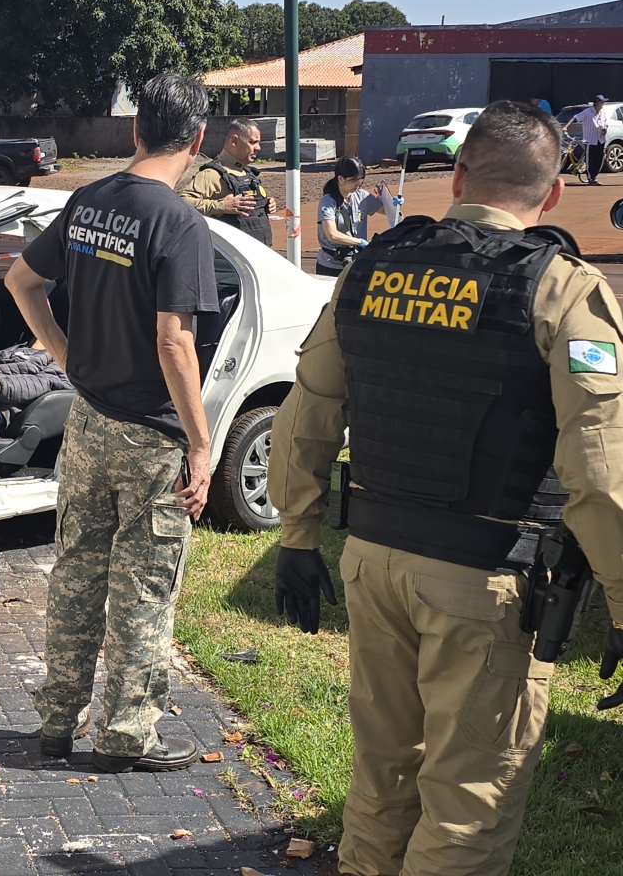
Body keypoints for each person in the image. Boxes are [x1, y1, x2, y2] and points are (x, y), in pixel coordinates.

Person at [268, 99, 623, 876]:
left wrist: (297, 537)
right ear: (554, 194)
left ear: (458, 175)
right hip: (485, 580)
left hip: (372, 561)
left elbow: (309, 413)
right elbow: (600, 472)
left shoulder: (373, 265)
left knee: (383, 775)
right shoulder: (564, 290)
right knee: (469, 806)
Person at [5, 73, 218, 774]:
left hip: (90, 425)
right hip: (152, 438)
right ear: (198, 139)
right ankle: (128, 733)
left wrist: (68, 358)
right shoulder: (179, 222)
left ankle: (56, 723)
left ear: (134, 130)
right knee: (142, 590)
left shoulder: (89, 200)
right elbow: (174, 342)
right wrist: (201, 442)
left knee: (76, 574)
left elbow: (20, 282)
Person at [179, 118, 277, 246]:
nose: (258, 148)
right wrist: (222, 206)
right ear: (234, 141)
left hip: (258, 252)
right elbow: (183, 203)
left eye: (258, 142)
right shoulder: (212, 174)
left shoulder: (247, 173)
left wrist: (266, 204)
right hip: (234, 258)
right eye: (252, 142)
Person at [315, 156, 383, 276]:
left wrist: (391, 202)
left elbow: (387, 211)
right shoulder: (328, 201)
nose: (358, 184)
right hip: (331, 265)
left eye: (361, 180)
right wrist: (359, 242)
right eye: (354, 180)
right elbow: (332, 235)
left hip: (357, 263)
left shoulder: (362, 196)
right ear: (341, 179)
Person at [564, 95, 609, 184]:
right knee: (590, 160)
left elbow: (605, 123)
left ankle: (594, 177)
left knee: (599, 159)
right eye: (601, 102)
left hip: (600, 139)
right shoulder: (588, 112)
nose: (603, 103)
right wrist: (566, 126)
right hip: (590, 140)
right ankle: (590, 178)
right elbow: (575, 117)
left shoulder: (603, 113)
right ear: (596, 103)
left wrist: (605, 128)